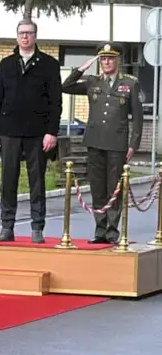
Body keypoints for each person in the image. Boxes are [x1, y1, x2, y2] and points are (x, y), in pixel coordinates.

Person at [61, 42, 143, 243]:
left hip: (117, 144)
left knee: (114, 188)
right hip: (95, 142)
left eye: (110, 58)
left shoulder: (130, 84)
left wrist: (133, 145)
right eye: (103, 59)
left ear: (118, 60)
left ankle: (112, 232)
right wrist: (81, 69)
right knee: (97, 188)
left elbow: (138, 118)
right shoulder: (93, 82)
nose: (106, 62)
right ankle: (100, 231)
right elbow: (66, 86)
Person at [0, 21, 62, 243]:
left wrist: (52, 132)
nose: (25, 37)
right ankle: (6, 226)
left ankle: (37, 228)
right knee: (8, 180)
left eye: (29, 33)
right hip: (9, 131)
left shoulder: (49, 64)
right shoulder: (6, 64)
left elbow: (55, 102)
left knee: (37, 181)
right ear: (17, 36)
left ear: (35, 36)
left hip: (37, 132)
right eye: (22, 33)